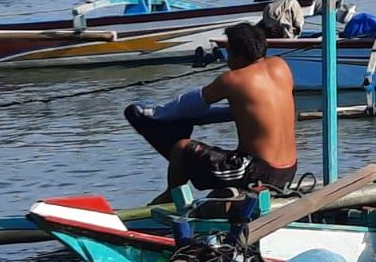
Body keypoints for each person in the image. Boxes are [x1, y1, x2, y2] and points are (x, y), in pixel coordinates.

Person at [126, 22, 298, 196]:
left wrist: (155, 113)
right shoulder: (281, 66)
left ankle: (172, 197)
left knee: (181, 148)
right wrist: (195, 119)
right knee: (192, 135)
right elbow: (251, 113)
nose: (227, 60)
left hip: (258, 172)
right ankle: (229, 192)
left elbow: (190, 103)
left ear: (237, 55)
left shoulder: (233, 80)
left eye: (228, 53)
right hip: (288, 171)